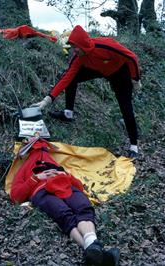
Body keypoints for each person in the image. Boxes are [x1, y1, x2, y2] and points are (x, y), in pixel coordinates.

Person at [32, 25, 141, 158]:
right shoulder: (78, 57)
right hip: (98, 69)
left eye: (75, 46)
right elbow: (66, 78)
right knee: (71, 78)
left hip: (119, 71)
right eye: (72, 47)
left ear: (83, 44)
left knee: (125, 106)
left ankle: (134, 146)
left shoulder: (105, 45)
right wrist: (46, 100)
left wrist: (135, 79)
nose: (74, 50)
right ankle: (68, 113)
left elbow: (132, 57)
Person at [10, 138, 120, 266]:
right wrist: (35, 178)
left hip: (65, 185)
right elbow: (15, 196)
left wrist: (66, 176)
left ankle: (92, 250)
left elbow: (79, 186)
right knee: (63, 213)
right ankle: (94, 250)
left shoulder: (54, 163)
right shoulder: (25, 167)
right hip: (42, 191)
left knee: (83, 206)